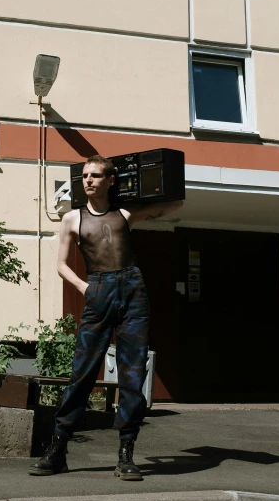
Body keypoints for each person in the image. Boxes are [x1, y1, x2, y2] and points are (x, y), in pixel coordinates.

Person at [29, 154, 183, 481]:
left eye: (96, 175)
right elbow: (61, 266)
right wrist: (86, 289)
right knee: (82, 372)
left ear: (109, 181)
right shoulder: (72, 218)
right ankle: (58, 450)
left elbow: (174, 205)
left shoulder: (124, 213)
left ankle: (126, 452)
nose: (88, 181)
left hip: (132, 291)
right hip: (97, 289)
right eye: (85, 175)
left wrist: (142, 185)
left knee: (132, 373)